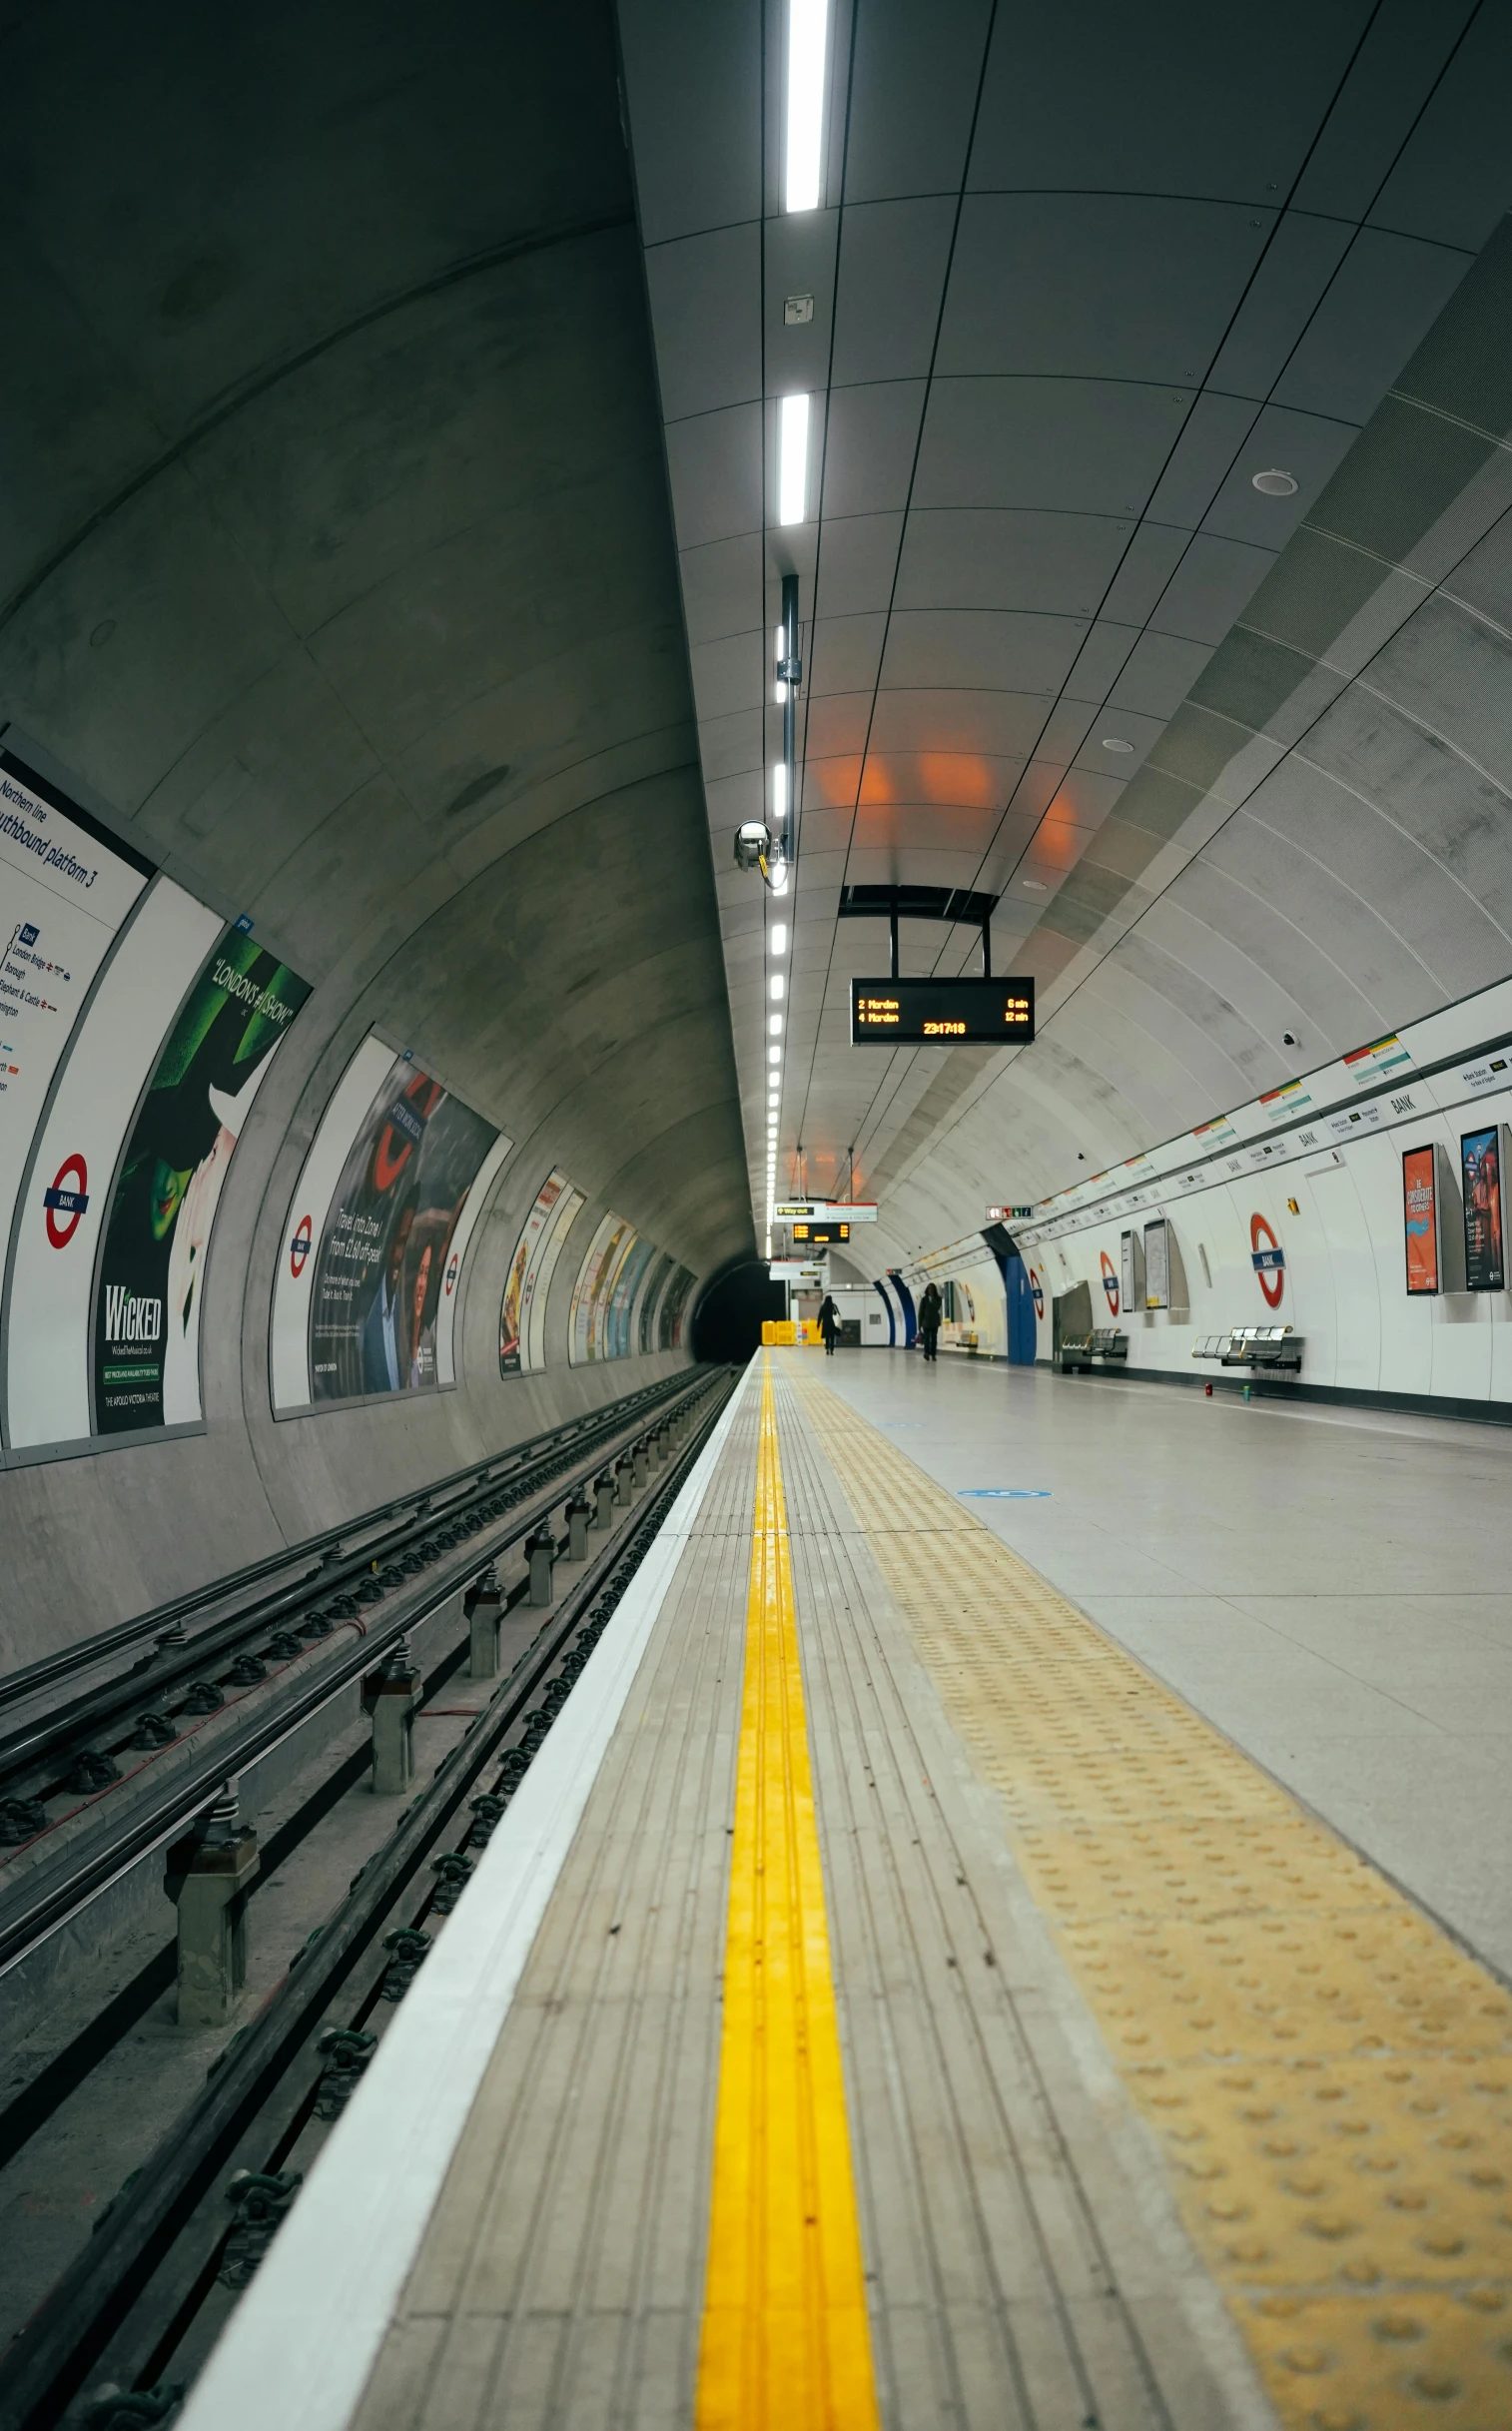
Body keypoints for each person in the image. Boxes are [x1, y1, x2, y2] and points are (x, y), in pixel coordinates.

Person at [918, 1280, 942, 1361]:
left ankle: (933, 1354)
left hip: (935, 1322)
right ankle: (926, 1353)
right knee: (927, 1339)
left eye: (932, 1289)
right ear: (927, 1290)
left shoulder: (938, 1299)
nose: (930, 1290)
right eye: (929, 1289)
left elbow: (937, 1307)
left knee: (934, 1339)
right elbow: (920, 1312)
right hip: (926, 1323)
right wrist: (919, 1325)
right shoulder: (924, 1300)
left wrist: (933, 1298)